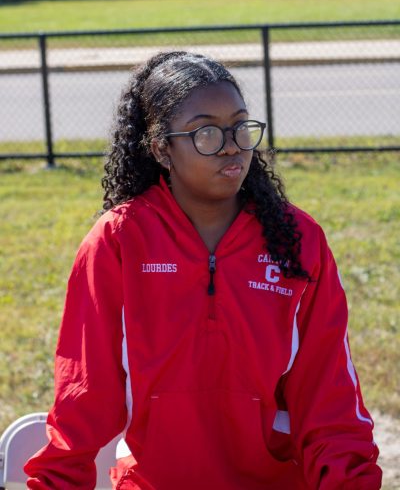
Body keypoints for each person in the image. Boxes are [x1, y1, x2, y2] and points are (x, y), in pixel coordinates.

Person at [25, 51, 382, 490]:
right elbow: (82, 397)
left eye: (239, 126)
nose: (231, 144)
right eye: (206, 132)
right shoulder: (119, 242)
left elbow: (332, 404)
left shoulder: (299, 242)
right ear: (162, 149)